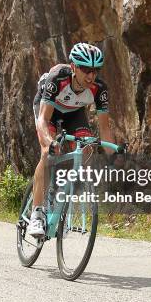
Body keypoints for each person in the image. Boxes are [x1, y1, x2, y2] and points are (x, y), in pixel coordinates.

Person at [29, 42, 117, 238]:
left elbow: (104, 128)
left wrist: (113, 157)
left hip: (74, 112)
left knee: (86, 149)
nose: (91, 76)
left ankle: (61, 191)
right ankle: (36, 213)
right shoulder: (57, 77)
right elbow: (43, 119)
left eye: (95, 71)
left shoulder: (99, 88)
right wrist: (49, 143)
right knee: (47, 153)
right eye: (86, 70)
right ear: (74, 66)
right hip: (48, 110)